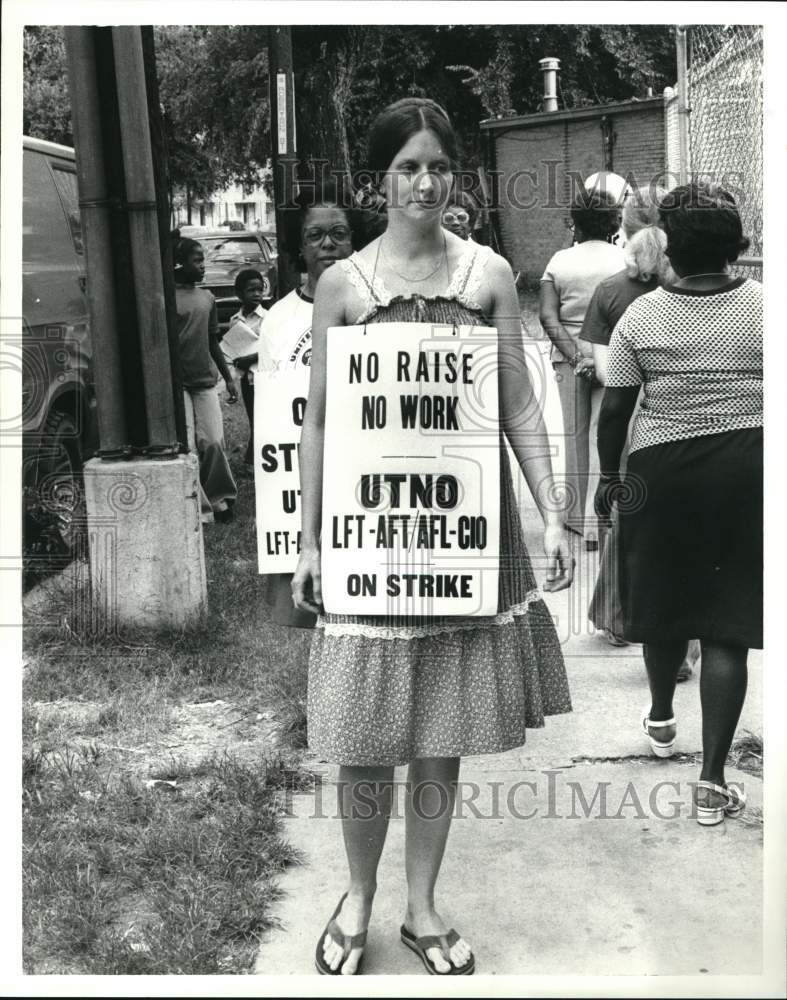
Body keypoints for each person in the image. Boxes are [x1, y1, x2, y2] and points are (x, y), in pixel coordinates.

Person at [292, 97, 574, 976]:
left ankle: (420, 904)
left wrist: (551, 509)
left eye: (438, 167)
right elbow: (322, 425)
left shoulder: (489, 275)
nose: (424, 182)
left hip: (465, 536)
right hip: (369, 536)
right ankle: (358, 896)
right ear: (378, 180)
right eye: (407, 167)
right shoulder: (343, 285)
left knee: (439, 728)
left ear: (459, 177)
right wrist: (307, 542)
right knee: (363, 732)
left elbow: (515, 403)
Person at [595, 182, 762, 826]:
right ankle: (713, 779)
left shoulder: (643, 316)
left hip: (660, 473)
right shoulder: (766, 309)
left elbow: (615, 410)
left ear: (669, 246)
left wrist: (609, 477)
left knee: (663, 607)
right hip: (747, 470)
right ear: (737, 248)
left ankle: (662, 715)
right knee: (727, 625)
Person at [583, 188, 699, 675]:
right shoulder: (692, 287)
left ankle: (617, 619)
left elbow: (609, 377)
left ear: (624, 232)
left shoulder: (612, 291)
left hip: (632, 421)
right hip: (691, 422)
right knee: (689, 537)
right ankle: (688, 641)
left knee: (628, 528)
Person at [246, 181, 358, 627]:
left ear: (355, 240)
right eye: (315, 235)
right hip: (302, 471)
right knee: (303, 608)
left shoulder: (374, 306)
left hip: (356, 466)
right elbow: (272, 413)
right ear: (299, 246)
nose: (328, 244)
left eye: (339, 233)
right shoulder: (278, 319)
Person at [539, 189, 624, 547]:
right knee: (606, 434)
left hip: (569, 358)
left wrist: (576, 357)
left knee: (573, 435)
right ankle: (603, 519)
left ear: (575, 220)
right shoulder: (624, 260)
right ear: (613, 222)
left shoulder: (559, 260)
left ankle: (576, 518)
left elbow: (547, 316)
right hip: (614, 357)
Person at [173, 237, 238, 524]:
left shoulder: (207, 298)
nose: (202, 266)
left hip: (204, 381)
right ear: (179, 263)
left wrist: (229, 378)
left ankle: (220, 498)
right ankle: (199, 510)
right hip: (177, 385)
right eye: (197, 260)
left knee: (213, 441)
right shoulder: (165, 298)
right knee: (187, 445)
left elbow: (213, 342)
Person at [228, 269, 267, 467]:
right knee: (253, 417)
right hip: (247, 379)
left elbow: (272, 349)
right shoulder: (235, 320)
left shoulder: (267, 318)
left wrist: (249, 358)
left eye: (260, 289)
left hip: (265, 376)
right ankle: (253, 459)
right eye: (251, 290)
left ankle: (253, 460)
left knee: (265, 418)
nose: (257, 294)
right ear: (239, 293)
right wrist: (237, 361)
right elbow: (233, 348)